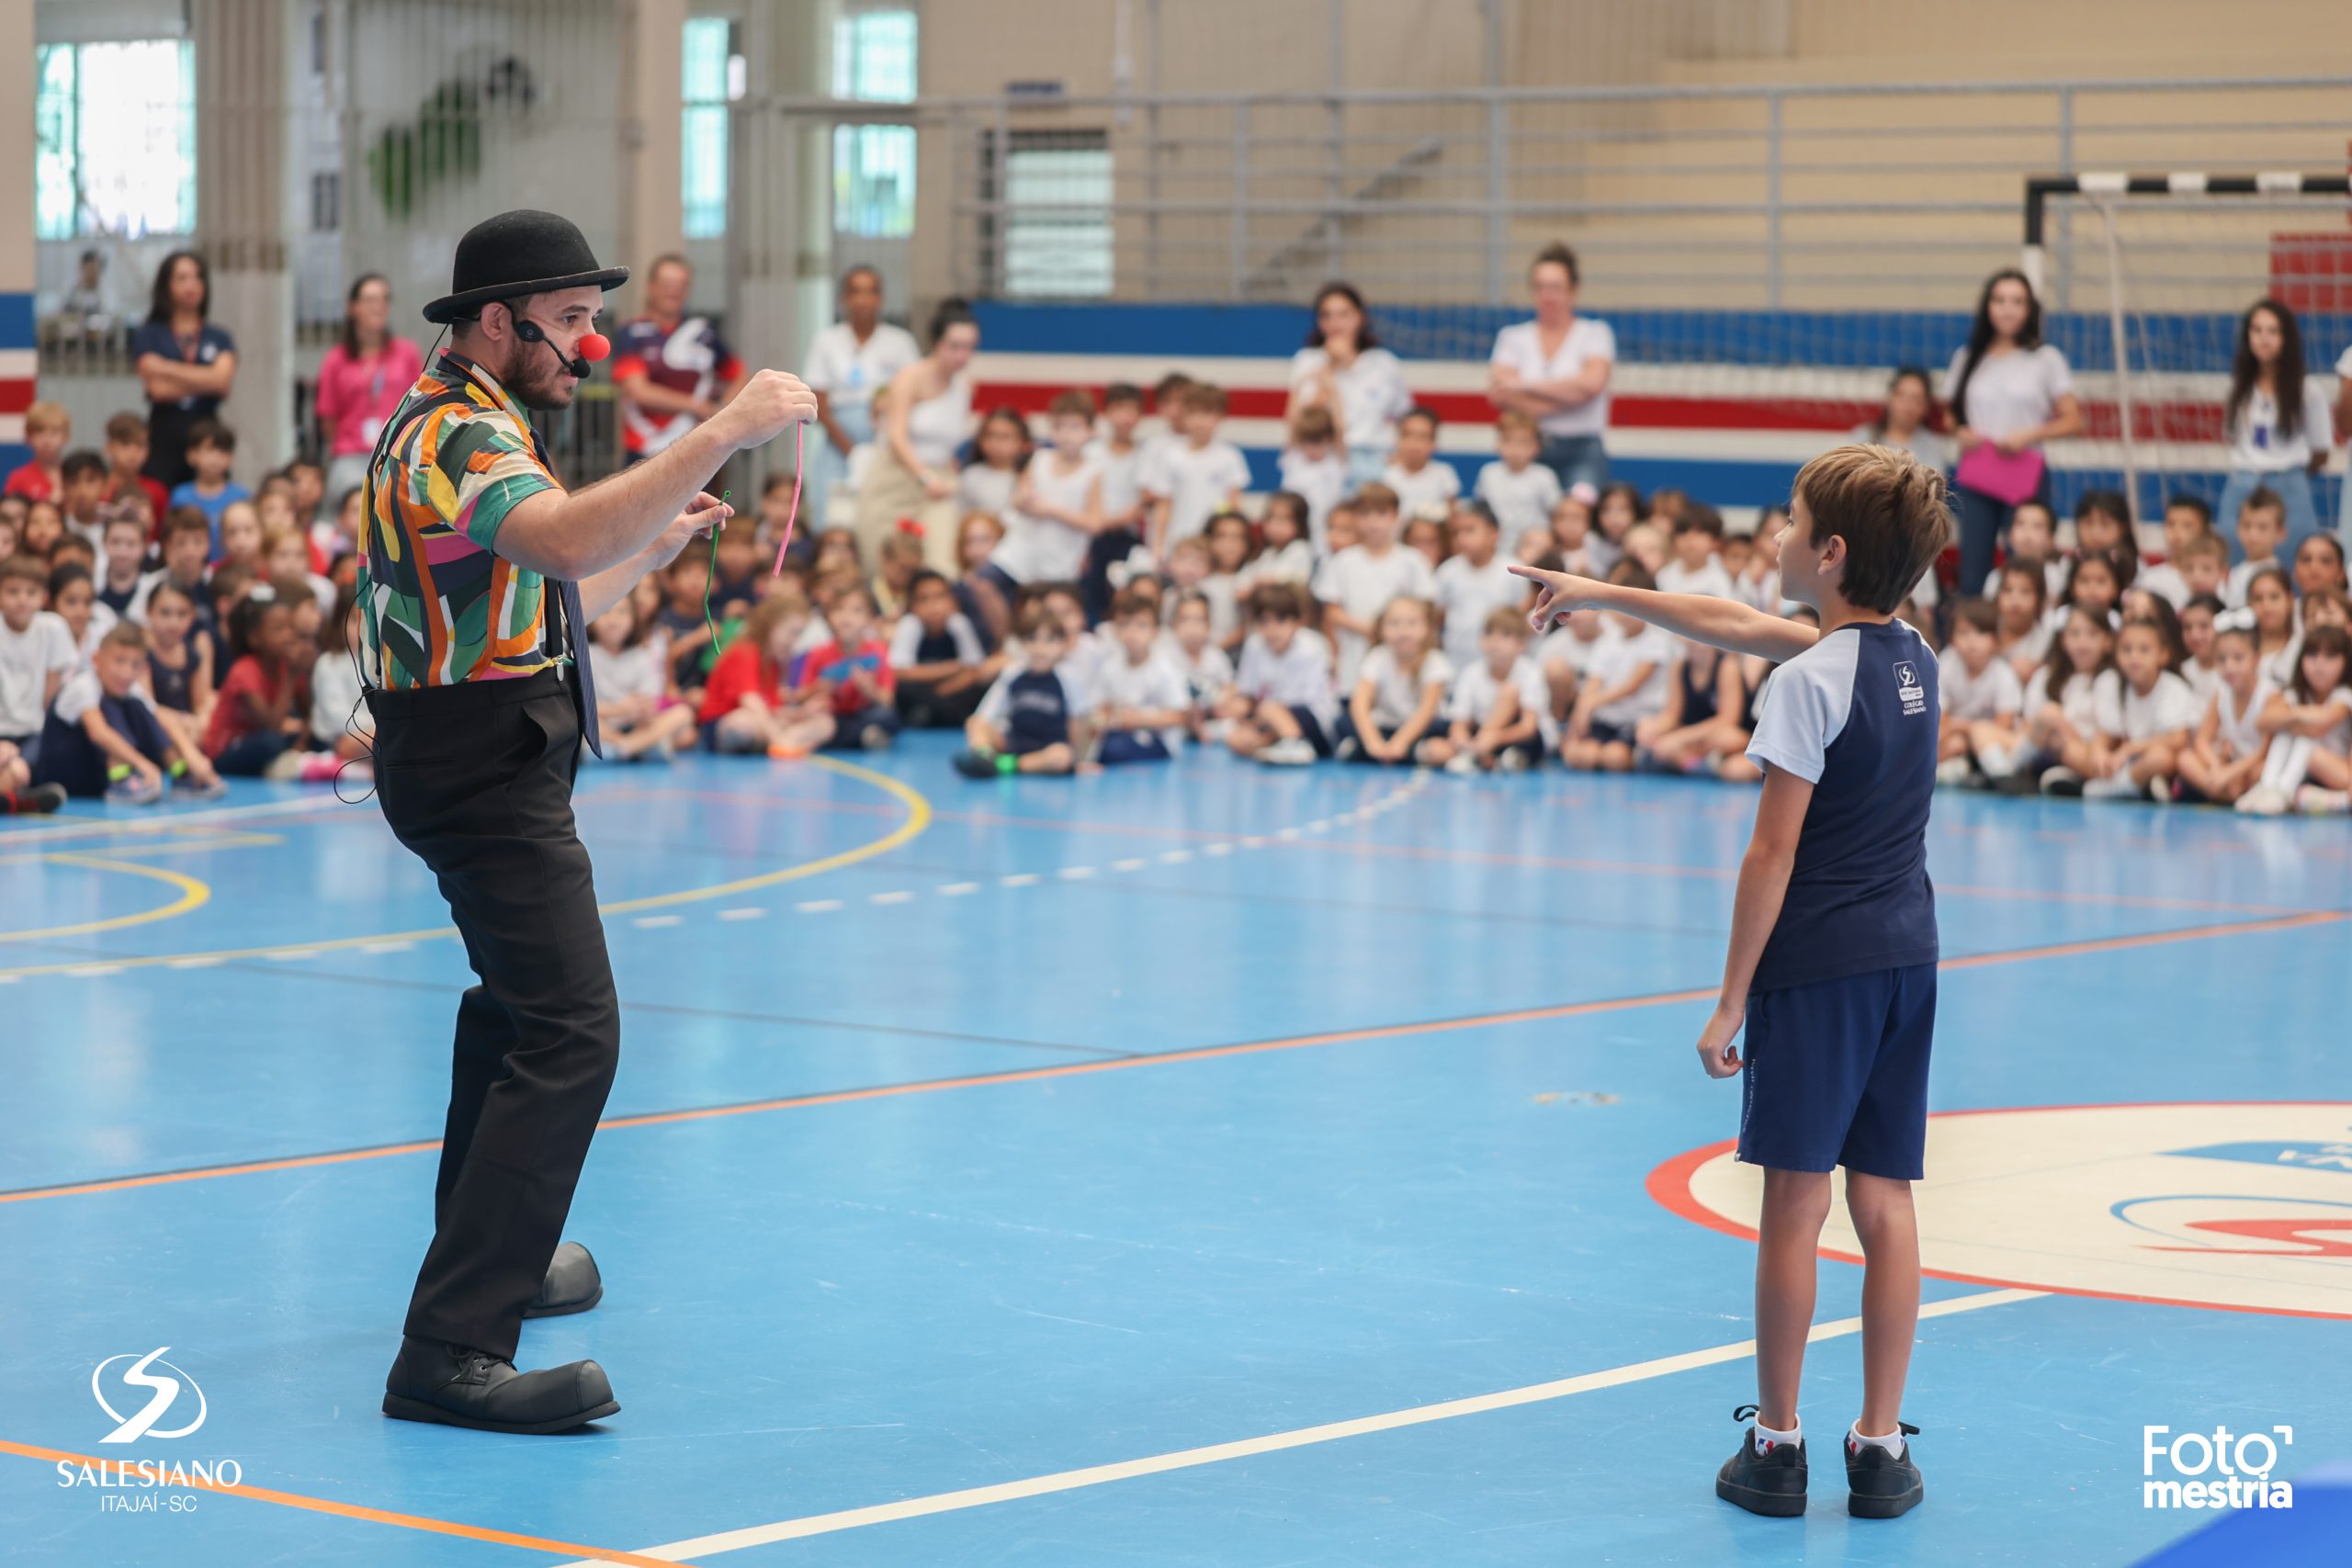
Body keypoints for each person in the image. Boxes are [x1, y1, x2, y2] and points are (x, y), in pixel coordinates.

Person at [359, 208, 817, 1435]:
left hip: (487, 742)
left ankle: (490, 1243)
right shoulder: (455, 430)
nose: (593, 345)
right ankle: (452, 1345)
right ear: (495, 324)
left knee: (515, 1005)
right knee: (573, 1030)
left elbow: (542, 588)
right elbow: (559, 534)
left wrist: (652, 544)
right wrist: (721, 433)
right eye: (570, 322)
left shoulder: (485, 419)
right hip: (481, 769)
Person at [1512, 441, 1951, 1522]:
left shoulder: (1805, 687)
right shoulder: (1913, 655)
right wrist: (1599, 591)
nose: (1775, 537)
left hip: (1817, 972)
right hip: (1908, 957)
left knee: (1795, 1210)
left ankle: (1779, 1444)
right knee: (1885, 1201)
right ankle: (1882, 1448)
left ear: (1830, 552)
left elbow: (1771, 856)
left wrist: (1727, 1001)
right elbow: (1737, 623)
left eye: (1790, 522)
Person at [1943, 268, 2082, 596]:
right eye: (2000, 300)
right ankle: (1973, 638)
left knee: (2028, 564)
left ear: (2029, 309)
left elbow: (2074, 419)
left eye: (2017, 301)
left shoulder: (2045, 359)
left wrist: (2028, 435)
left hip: (2025, 474)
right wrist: (1960, 432)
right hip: (1978, 473)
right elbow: (1950, 414)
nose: (2008, 309)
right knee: (1973, 571)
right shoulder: (1967, 357)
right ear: (1987, 306)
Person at [33, 620, 223, 801]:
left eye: (135, 665)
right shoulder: (83, 685)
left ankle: (181, 773)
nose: (126, 672)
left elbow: (161, 718)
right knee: (109, 705)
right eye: (119, 661)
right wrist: (143, 764)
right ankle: (120, 778)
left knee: (137, 706)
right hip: (64, 773)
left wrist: (193, 756)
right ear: (96, 659)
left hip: (94, 773)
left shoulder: (130, 688)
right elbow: (98, 733)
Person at [860, 299, 978, 574]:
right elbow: (896, 437)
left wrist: (945, 469)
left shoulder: (965, 385)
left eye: (970, 347)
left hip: (938, 482)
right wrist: (924, 476)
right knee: (881, 563)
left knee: (942, 564)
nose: (963, 355)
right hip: (896, 477)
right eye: (955, 346)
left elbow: (949, 440)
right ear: (937, 343)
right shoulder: (910, 377)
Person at [1487, 243, 1616, 492]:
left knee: (1578, 516)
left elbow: (1592, 384)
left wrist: (1523, 386)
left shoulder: (1595, 333)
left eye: (1556, 288)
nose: (1548, 296)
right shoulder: (1512, 337)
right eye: (1540, 287)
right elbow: (1500, 393)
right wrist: (1572, 396)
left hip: (1582, 449)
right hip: (1524, 448)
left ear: (1573, 290)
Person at [2215, 299, 2335, 560]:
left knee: (2295, 562)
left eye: (2272, 331)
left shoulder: (2308, 389)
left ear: (2286, 337)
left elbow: (2321, 451)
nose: (2263, 339)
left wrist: (2286, 473)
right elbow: (2234, 439)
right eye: (2256, 331)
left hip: (2289, 485)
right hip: (2242, 484)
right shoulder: (2238, 388)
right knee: (2233, 558)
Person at [802, 264, 920, 525]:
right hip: (837, 442)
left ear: (880, 299)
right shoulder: (826, 341)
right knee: (833, 517)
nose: (863, 300)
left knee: (880, 517)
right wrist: (849, 448)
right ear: (845, 298)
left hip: (887, 442)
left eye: (870, 292)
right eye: (855, 292)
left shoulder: (901, 342)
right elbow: (818, 400)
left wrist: (882, 437)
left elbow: (912, 396)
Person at [612, 254, 745, 468]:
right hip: (644, 447)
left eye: (681, 285)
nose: (674, 291)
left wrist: (722, 411)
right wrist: (697, 406)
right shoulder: (631, 333)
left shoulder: (703, 334)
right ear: (651, 287)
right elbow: (637, 390)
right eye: (667, 284)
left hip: (696, 446)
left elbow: (737, 373)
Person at [312, 274, 425, 505]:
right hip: (351, 455)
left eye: (385, 299)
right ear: (352, 307)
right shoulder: (336, 359)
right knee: (352, 498)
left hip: (397, 453)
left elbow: (420, 406)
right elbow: (328, 419)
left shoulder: (407, 353)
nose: (379, 306)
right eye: (371, 299)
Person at [1287, 282, 1414, 486]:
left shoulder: (1383, 363)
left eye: (1343, 314)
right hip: (1326, 459)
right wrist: (1332, 366)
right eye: (1326, 315)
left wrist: (1401, 456)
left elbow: (1406, 415)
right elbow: (1303, 422)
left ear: (1359, 317)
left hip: (1375, 459)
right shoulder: (1307, 361)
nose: (1335, 323)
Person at [131, 251, 237, 491]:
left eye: (197, 278)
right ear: (166, 285)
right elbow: (157, 389)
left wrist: (165, 367)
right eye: (182, 278)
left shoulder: (218, 337)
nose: (192, 285)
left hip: (208, 430)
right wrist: (204, 376)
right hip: (164, 432)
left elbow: (221, 382)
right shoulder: (150, 334)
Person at [1314, 482, 1434, 691]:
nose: (1373, 521)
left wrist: (1396, 630)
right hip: (1353, 658)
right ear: (1356, 518)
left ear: (1396, 516)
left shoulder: (1413, 561)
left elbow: (1425, 609)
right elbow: (1331, 612)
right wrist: (1372, 629)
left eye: (1381, 513)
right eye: (1365, 514)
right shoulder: (1342, 561)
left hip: (1403, 657)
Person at [956, 603, 1090, 777]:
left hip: (1048, 747)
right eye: (1033, 639)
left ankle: (1007, 766)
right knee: (974, 723)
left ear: (1063, 645)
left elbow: (1078, 721)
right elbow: (985, 714)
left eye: (1050, 640)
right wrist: (982, 741)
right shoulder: (1013, 673)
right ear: (1022, 643)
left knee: (1061, 756)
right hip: (1014, 743)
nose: (1040, 648)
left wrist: (1079, 759)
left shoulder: (1068, 678)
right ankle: (984, 760)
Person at [1424, 605, 1549, 774]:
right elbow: (1459, 722)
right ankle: (1483, 756)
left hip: (1516, 736)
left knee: (1509, 692)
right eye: (1490, 634)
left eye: (1505, 635)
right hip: (1479, 732)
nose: (1495, 641)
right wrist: (1461, 739)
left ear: (1521, 644)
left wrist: (1495, 737)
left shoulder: (1530, 672)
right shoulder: (1471, 672)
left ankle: (1481, 756)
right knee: (1436, 742)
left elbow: (1528, 727)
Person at [1337, 596, 1451, 766]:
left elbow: (1426, 711)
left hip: (1422, 728)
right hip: (1386, 726)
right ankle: (1379, 751)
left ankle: (1402, 751)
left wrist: (1401, 742)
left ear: (1427, 627)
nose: (1403, 631)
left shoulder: (1435, 661)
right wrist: (1372, 741)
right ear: (1381, 628)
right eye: (1394, 623)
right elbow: (1359, 703)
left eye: (1412, 623)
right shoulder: (1377, 657)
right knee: (1343, 721)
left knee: (1441, 745)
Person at [1090, 590, 1191, 765]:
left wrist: (1136, 719)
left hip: (1157, 738)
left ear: (1155, 632)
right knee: (1101, 748)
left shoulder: (1164, 668)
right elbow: (1101, 708)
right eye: (1124, 625)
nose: (1132, 633)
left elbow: (1178, 716)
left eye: (1141, 625)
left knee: (1113, 750)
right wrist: (1101, 719)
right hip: (1120, 733)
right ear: (1115, 631)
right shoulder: (1110, 667)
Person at [1432, 502, 1523, 672]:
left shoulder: (1514, 570)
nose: (1461, 538)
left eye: (1469, 530)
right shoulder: (1447, 572)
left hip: (1501, 667)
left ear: (1493, 533)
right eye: (1456, 532)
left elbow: (1520, 617)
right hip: (1455, 664)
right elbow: (1439, 617)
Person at [1476, 410, 1566, 546]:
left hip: (1533, 544)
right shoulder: (1489, 473)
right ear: (1498, 443)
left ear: (1536, 447)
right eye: (1508, 441)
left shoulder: (1544, 476)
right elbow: (1482, 510)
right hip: (1497, 543)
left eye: (1523, 443)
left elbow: (1556, 513)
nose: (1515, 449)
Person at [168, 422, 251, 554]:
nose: (215, 458)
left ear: (231, 458)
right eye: (209, 450)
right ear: (191, 455)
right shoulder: (180, 496)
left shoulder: (241, 496)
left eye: (222, 452)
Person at [1852, 367, 1948, 471]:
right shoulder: (1864, 437)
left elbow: (1933, 484)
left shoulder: (1933, 447)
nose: (1907, 405)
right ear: (1889, 397)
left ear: (1926, 406)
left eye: (1915, 398)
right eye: (1901, 395)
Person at [1381, 406, 1460, 523]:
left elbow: (1453, 516)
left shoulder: (1443, 474)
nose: (1414, 444)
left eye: (1422, 437)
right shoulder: (1386, 474)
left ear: (1433, 442)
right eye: (1407, 435)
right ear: (1398, 439)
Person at [5, 401, 69, 500]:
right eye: (40, 431)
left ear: (66, 436)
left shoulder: (75, 476)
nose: (47, 439)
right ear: (28, 436)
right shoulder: (19, 478)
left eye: (54, 431)